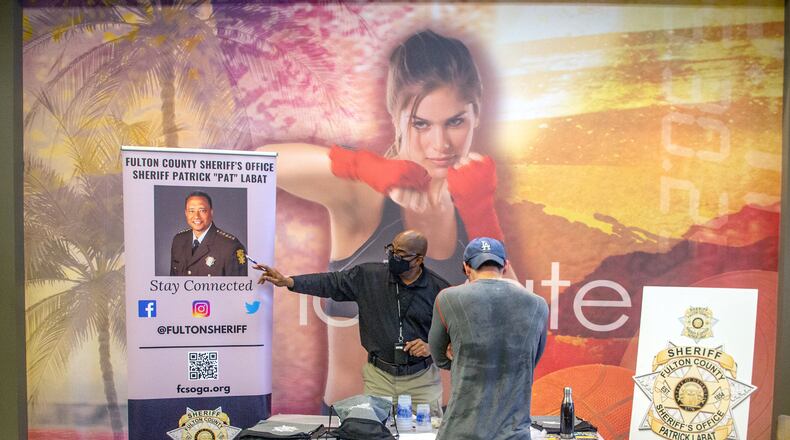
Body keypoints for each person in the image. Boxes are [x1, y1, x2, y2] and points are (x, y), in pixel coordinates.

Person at [259, 29, 515, 408]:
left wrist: (481, 212)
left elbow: (517, 322)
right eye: (421, 123)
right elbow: (263, 163)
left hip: (447, 423)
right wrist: (361, 166)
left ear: (476, 115)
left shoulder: (470, 197)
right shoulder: (365, 194)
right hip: (357, 423)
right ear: (396, 117)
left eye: (455, 122)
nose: (440, 144)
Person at [255, 230, 448, 413]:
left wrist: (431, 347)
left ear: (419, 259)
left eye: (401, 254)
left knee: (425, 430)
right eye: (392, 250)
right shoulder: (369, 276)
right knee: (375, 429)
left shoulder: (440, 290)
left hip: (421, 381)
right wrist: (289, 281)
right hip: (380, 378)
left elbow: (455, 337)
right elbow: (331, 282)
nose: (393, 257)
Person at [429, 237, 548, 440]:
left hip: (462, 430)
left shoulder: (448, 298)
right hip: (513, 432)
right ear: (505, 266)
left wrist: (462, 359)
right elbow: (532, 359)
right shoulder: (538, 304)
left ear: (466, 267)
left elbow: (439, 357)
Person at [170, 191, 247, 276]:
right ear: (186, 213)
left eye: (202, 210)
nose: (196, 216)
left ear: (211, 212)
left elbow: (238, 284)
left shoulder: (230, 246)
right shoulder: (179, 240)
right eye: (191, 211)